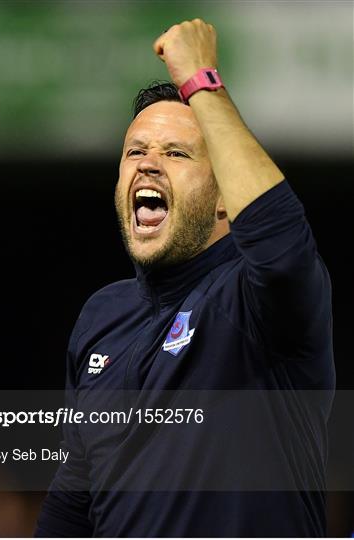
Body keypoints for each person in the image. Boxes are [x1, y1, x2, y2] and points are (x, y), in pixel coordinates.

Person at [35, 19, 335, 537]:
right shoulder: (102, 316)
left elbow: (281, 246)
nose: (148, 165)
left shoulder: (255, 300)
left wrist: (201, 80)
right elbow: (74, 498)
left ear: (225, 199)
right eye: (135, 151)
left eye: (176, 154)